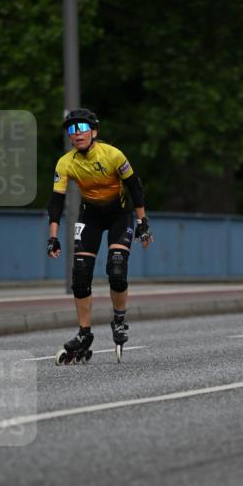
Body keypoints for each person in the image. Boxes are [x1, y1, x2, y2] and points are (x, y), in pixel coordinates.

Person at [46, 108, 153, 362]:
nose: (77, 133)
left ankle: (119, 320)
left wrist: (143, 222)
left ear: (94, 132)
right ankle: (84, 334)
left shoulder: (113, 154)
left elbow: (135, 186)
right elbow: (56, 202)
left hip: (119, 215)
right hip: (91, 216)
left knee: (116, 268)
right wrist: (53, 236)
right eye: (72, 130)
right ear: (69, 137)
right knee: (80, 276)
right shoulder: (65, 163)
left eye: (82, 128)